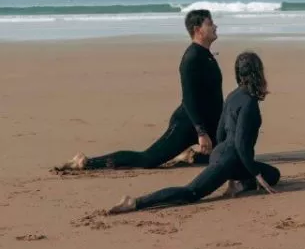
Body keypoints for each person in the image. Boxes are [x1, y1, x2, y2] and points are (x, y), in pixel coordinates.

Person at [108, 52, 279, 213]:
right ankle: (135, 202)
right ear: (258, 73)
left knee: (273, 174)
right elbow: (241, 146)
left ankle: (239, 184)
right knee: (191, 192)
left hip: (222, 155)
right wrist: (257, 175)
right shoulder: (249, 104)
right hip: (230, 160)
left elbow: (220, 133)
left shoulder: (232, 95)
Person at [61, 9, 223, 171]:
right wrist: (201, 132)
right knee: (148, 159)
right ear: (197, 30)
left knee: (229, 155)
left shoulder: (206, 56)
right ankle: (86, 162)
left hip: (209, 123)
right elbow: (189, 98)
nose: (215, 26)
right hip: (188, 124)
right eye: (209, 24)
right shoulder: (192, 58)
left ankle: (189, 155)